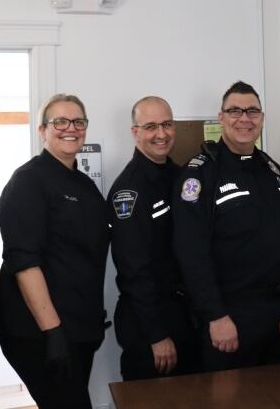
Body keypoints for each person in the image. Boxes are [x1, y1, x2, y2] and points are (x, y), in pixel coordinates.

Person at [172, 81, 280, 371]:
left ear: (262, 119)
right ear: (222, 118)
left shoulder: (271, 169)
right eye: (235, 111)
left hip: (278, 313)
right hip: (232, 316)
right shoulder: (200, 174)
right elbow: (191, 253)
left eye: (252, 111)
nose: (244, 118)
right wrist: (215, 315)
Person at [0, 94, 111, 407]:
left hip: (78, 329)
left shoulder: (84, 186)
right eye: (59, 121)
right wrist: (54, 332)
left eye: (78, 121)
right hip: (41, 333)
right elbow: (24, 262)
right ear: (42, 129)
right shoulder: (28, 182)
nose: (69, 128)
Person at [108, 96, 197, 379]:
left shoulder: (179, 176)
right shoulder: (129, 191)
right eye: (151, 127)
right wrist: (157, 335)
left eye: (167, 125)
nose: (161, 134)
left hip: (184, 314)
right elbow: (134, 270)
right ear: (136, 132)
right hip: (150, 323)